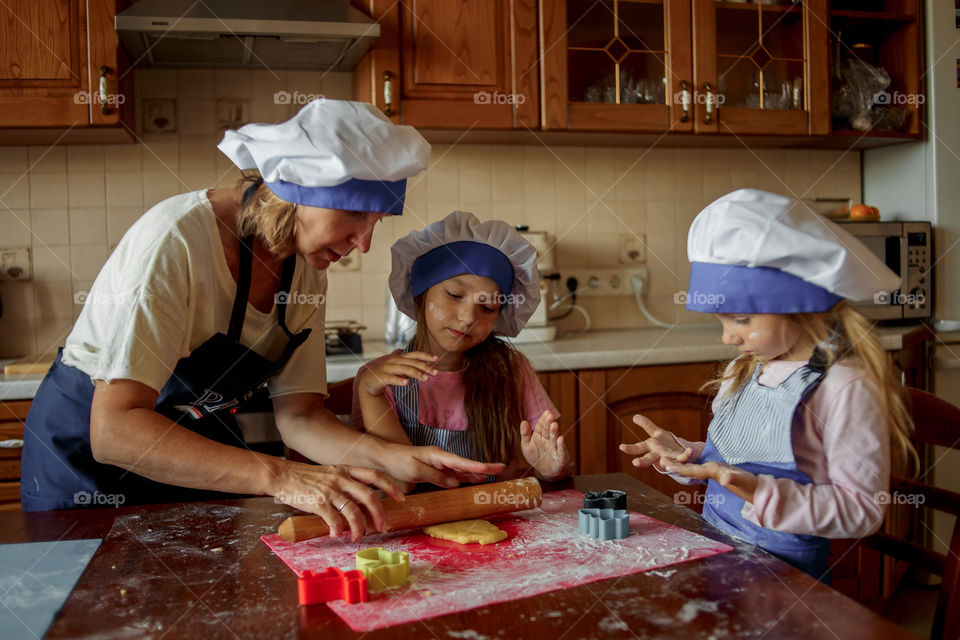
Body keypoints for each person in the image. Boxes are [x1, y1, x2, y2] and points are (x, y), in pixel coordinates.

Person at [21, 100, 501, 539]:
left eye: (376, 223)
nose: (364, 243)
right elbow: (117, 431)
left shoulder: (306, 266)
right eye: (356, 215)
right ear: (295, 188)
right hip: (87, 471)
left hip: (196, 449)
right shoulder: (177, 240)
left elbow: (300, 414)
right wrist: (280, 475)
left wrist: (403, 459)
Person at [619, 188, 917, 581]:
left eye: (740, 319)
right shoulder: (743, 370)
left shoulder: (844, 387)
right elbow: (730, 466)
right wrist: (688, 456)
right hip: (718, 554)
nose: (727, 338)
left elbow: (862, 510)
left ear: (798, 305)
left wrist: (763, 494)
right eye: (721, 321)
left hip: (785, 583)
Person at [352, 211, 571, 483]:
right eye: (455, 295)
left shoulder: (512, 370)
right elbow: (400, 483)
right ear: (421, 294)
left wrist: (550, 468)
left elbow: (553, 466)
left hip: (496, 521)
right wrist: (370, 394)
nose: (469, 317)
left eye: (488, 307)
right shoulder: (378, 381)